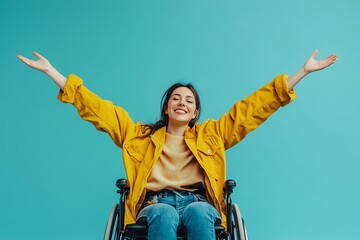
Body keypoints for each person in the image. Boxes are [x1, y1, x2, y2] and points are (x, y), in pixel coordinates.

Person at [18, 50, 337, 240]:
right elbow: (97, 108)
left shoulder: (212, 135)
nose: (182, 103)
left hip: (198, 201)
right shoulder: (138, 135)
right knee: (163, 216)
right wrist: (54, 73)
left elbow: (253, 109)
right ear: (167, 107)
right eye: (176, 99)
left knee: (200, 211)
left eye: (189, 101)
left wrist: (302, 73)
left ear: (195, 112)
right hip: (155, 204)